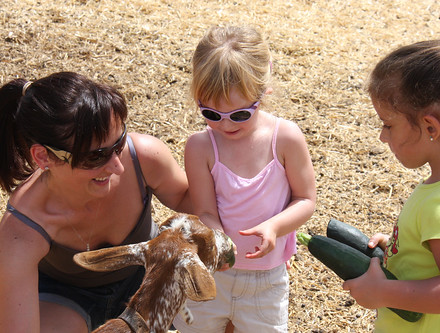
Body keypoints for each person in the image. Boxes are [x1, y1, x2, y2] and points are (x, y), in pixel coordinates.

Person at [0, 71, 192, 332]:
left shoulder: (143, 157)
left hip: (149, 278)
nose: (117, 167)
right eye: (95, 157)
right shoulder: (21, 232)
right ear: (43, 157)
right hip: (66, 299)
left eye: (119, 143)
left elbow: (191, 200)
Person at [342, 21, 440, 332]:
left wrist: (382, 292)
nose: (382, 137)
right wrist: (404, 253)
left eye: (388, 124)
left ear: (431, 128)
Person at [172, 25, 316, 333]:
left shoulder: (285, 138)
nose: (225, 125)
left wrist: (275, 227)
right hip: (212, 272)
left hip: (266, 281)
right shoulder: (200, 146)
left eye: (239, 115)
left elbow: (305, 200)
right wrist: (218, 241)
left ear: (264, 90)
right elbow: (206, 211)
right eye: (210, 113)